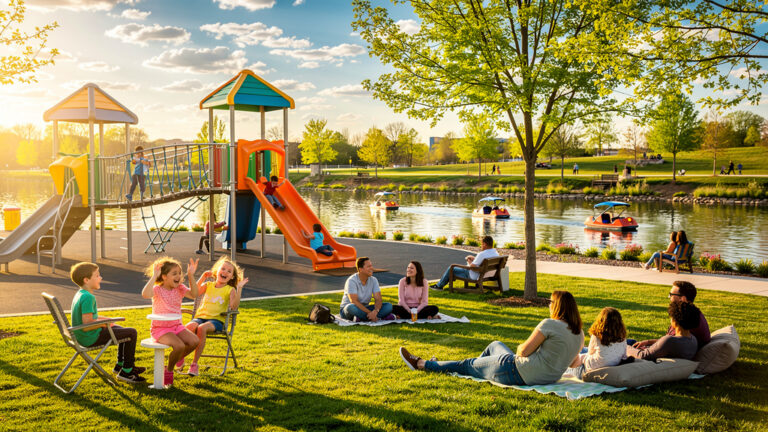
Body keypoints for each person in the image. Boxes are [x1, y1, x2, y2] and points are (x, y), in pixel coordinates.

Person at [399, 290, 584, 386]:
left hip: (517, 371)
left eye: (551, 303)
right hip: (544, 378)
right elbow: (574, 363)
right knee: (495, 345)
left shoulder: (549, 324)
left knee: (465, 364)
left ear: (558, 306)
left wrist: (523, 347)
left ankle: (422, 364)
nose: (549, 306)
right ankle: (474, 369)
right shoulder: (580, 334)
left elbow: (523, 351)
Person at [69, 262, 146, 383]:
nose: (101, 278)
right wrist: (105, 324)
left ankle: (121, 365)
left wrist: (107, 320)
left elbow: (90, 318)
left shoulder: (80, 293)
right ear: (86, 280)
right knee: (131, 333)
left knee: (121, 329)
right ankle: (127, 371)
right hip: (89, 338)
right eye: (97, 276)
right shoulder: (88, 297)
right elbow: (86, 326)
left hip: (82, 336)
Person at [180, 256, 248, 376]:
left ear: (232, 277)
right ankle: (181, 356)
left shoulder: (230, 289)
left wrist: (239, 288)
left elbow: (234, 306)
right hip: (200, 317)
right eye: (223, 269)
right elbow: (194, 292)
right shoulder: (208, 285)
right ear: (217, 271)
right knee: (189, 326)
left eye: (229, 271)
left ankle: (194, 365)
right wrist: (203, 277)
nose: (225, 272)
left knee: (202, 328)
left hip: (216, 321)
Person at [141, 257, 201, 387]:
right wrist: (154, 276)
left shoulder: (179, 288)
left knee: (194, 341)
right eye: (174, 274)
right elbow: (145, 294)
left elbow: (194, 294)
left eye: (179, 273)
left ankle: (177, 358)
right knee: (179, 346)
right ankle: (169, 370)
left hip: (176, 326)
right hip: (160, 329)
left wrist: (190, 275)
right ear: (164, 277)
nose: (178, 276)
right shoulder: (157, 289)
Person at [631, 281, 710, 349]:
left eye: (671, 294)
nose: (669, 297)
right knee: (631, 342)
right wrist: (648, 342)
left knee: (627, 343)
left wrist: (646, 347)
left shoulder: (686, 319)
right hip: (662, 349)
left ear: (682, 299)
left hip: (656, 355)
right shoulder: (693, 314)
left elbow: (670, 344)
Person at [626, 301, 700, 361]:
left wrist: (624, 347)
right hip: (649, 349)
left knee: (623, 342)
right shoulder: (693, 340)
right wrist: (648, 342)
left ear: (675, 320)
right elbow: (666, 345)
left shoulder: (670, 340)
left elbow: (642, 356)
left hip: (640, 354)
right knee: (632, 341)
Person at [566, 307, 626, 379]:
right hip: (613, 365)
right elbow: (624, 355)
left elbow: (590, 352)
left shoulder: (597, 336)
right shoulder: (622, 337)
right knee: (583, 352)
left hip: (590, 370)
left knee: (578, 357)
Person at [431, 236, 499, 290]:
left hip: (473, 276)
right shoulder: (495, 253)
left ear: (485, 244)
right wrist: (474, 258)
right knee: (455, 269)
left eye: (481, 244)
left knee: (451, 268)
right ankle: (441, 284)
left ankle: (439, 286)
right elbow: (482, 262)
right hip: (487, 275)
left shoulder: (482, 254)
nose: (481, 246)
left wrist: (469, 261)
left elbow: (472, 267)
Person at [339, 257, 394, 322]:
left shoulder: (374, 280)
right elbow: (354, 301)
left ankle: (361, 318)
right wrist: (369, 313)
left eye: (371, 266)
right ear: (360, 269)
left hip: (365, 308)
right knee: (350, 307)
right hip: (348, 309)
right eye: (368, 266)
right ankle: (378, 318)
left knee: (388, 306)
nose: (372, 268)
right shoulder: (351, 281)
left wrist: (375, 311)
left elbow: (378, 299)